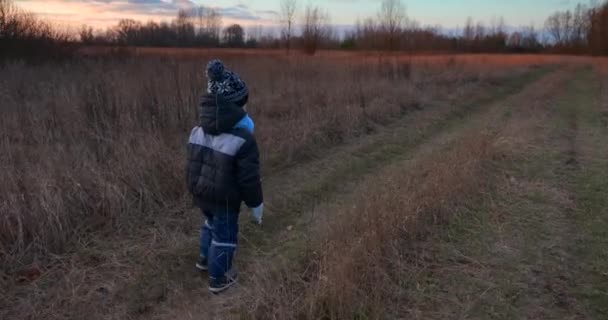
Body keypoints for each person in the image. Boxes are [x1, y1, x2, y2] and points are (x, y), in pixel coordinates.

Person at [186, 60, 263, 294]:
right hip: (225, 198)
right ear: (232, 107)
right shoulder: (242, 139)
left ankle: (204, 259)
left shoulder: (197, 130)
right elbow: (249, 179)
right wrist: (256, 204)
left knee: (210, 223)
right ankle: (219, 278)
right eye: (242, 104)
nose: (245, 109)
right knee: (225, 234)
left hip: (201, 192)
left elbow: (193, 164)